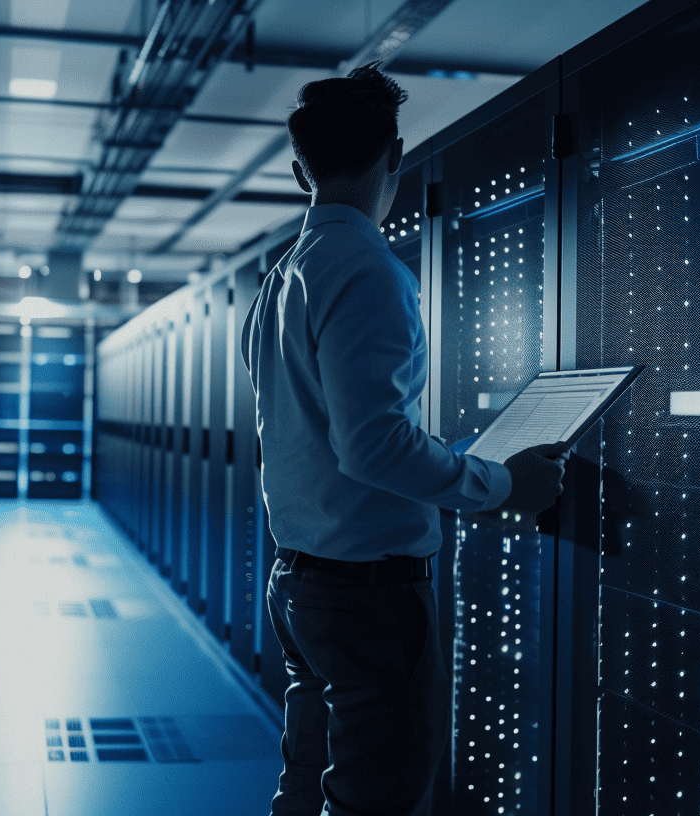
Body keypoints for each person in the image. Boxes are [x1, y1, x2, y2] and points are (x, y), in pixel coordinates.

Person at [240, 62, 568, 816]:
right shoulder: (369, 270)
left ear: (299, 172)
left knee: (305, 783)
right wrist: (502, 483)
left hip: (300, 584)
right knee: (377, 797)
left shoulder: (280, 278)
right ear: (395, 156)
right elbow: (374, 446)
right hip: (367, 599)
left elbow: (315, 434)